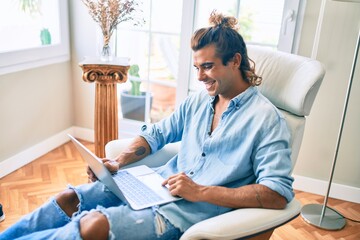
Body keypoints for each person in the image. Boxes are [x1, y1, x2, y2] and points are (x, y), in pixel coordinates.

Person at [0, 11, 294, 240]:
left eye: (208, 66)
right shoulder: (199, 102)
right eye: (197, 68)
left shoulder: (267, 120)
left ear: (235, 61)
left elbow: (277, 193)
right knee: (68, 198)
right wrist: (118, 162)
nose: (201, 77)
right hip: (152, 186)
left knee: (93, 225)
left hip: (182, 215)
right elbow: (156, 134)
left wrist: (201, 192)